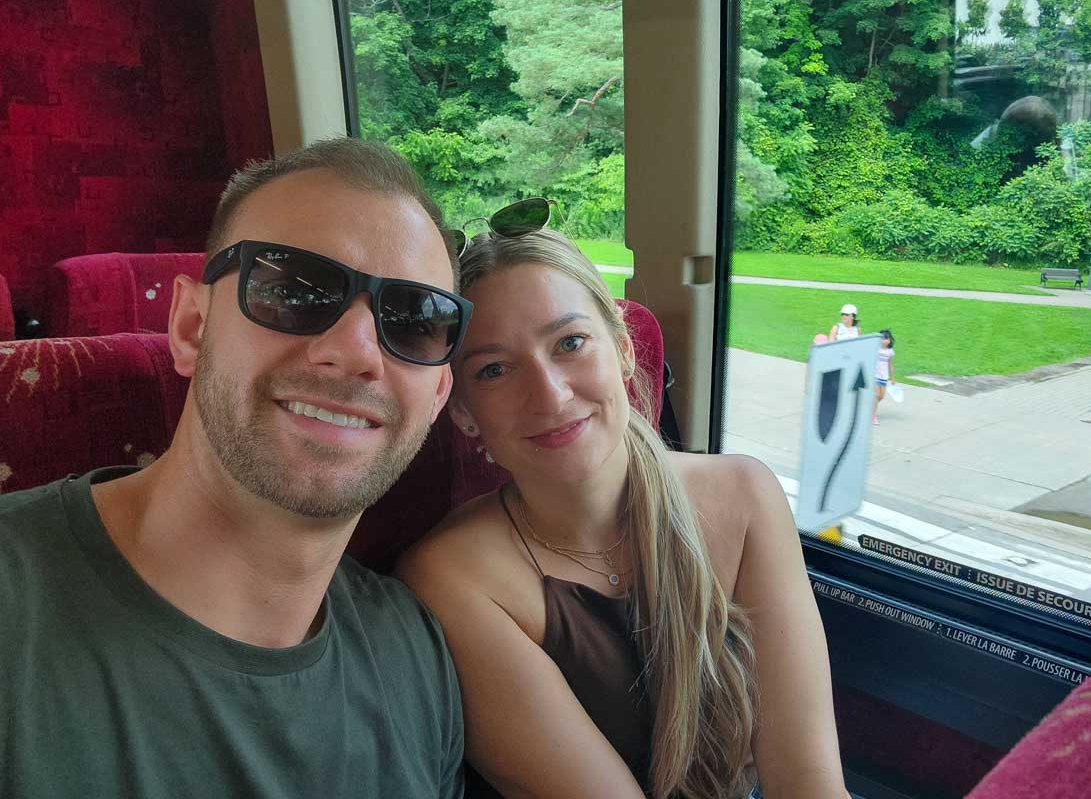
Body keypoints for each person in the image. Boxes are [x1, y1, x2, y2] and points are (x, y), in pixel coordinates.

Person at [0, 138, 468, 798]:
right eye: (295, 291)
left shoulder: (416, 653)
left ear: (439, 394)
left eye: (415, 320)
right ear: (191, 327)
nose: (357, 353)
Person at [398, 228, 848, 799]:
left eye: (570, 343)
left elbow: (808, 783)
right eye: (494, 370)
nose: (551, 395)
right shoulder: (451, 580)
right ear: (462, 412)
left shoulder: (744, 496)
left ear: (624, 349)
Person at [874, 329, 896, 426]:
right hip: (874, 376)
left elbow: (891, 366)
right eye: (884, 338)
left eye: (888, 339)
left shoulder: (890, 352)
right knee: (877, 395)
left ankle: (870, 407)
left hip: (884, 377)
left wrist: (892, 378)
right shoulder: (876, 349)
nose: (886, 341)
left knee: (881, 397)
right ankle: (873, 416)